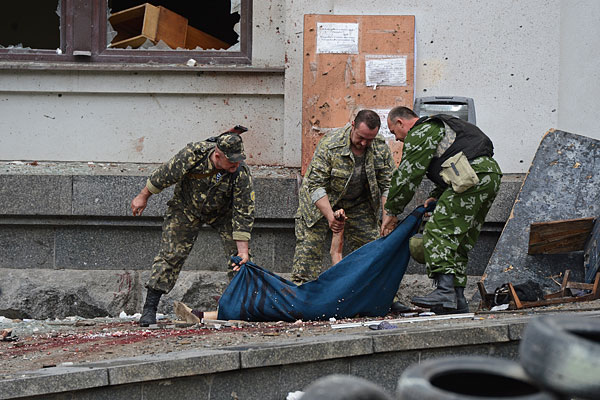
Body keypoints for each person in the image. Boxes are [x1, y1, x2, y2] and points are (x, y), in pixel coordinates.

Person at [383, 106, 502, 314]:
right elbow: (455, 156)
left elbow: (408, 175)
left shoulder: (421, 131)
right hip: (488, 174)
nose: (398, 139)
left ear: (401, 122)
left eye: (394, 133)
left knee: (439, 230)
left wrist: (392, 211)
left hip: (470, 176)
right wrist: (437, 194)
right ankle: (457, 298)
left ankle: (445, 292)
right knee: (459, 238)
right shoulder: (443, 125)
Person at [131, 127, 255, 327]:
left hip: (223, 213)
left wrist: (242, 251)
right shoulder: (193, 154)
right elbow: (165, 174)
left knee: (240, 260)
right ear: (217, 155)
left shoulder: (240, 173)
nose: (236, 163)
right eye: (231, 160)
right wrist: (143, 196)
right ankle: (149, 309)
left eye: (239, 159)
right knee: (170, 254)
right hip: (186, 208)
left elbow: (243, 211)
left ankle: (242, 306)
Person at [291, 110, 395, 282]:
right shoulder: (331, 144)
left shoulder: (380, 148)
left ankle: (382, 296)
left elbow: (388, 186)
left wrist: (387, 217)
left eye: (369, 139)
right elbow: (315, 184)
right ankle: (303, 296)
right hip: (321, 202)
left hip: (356, 203)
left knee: (374, 247)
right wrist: (331, 217)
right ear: (352, 125)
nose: (363, 143)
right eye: (361, 137)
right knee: (308, 251)